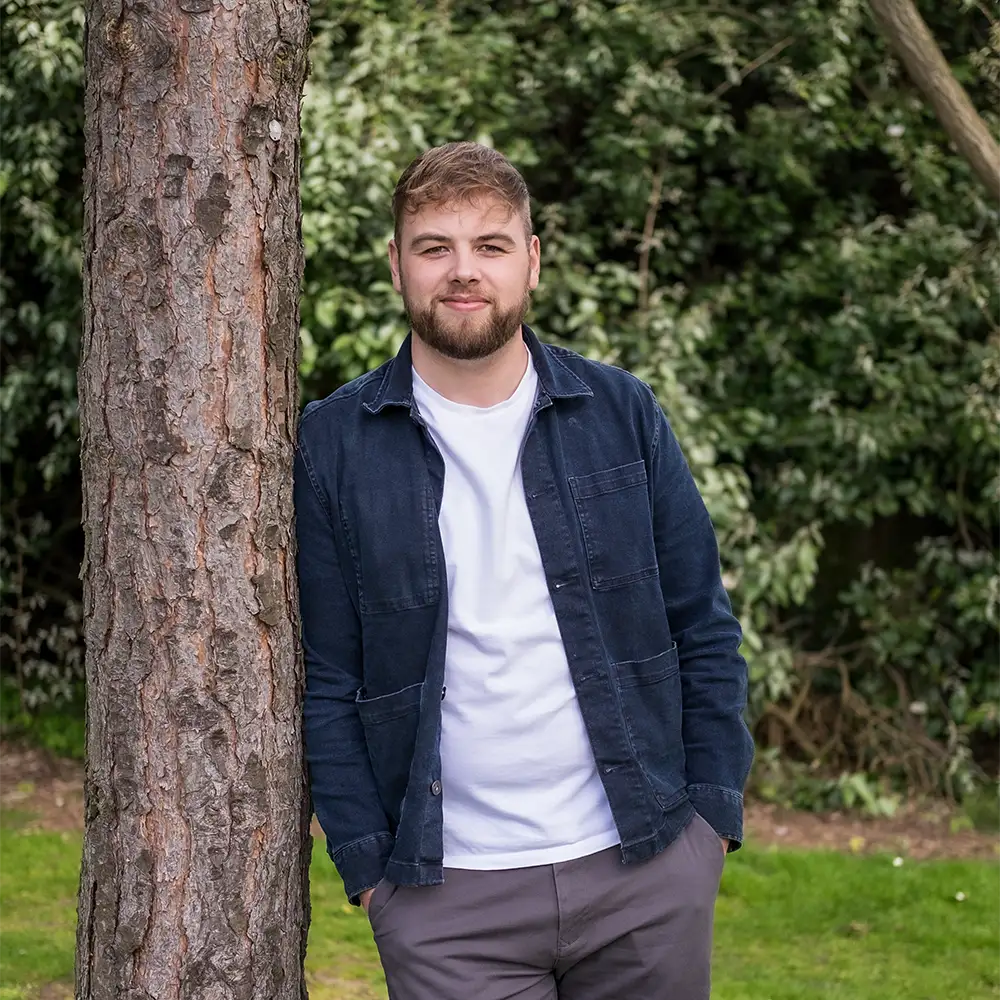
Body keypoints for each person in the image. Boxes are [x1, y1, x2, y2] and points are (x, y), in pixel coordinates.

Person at [294, 141, 754, 1000]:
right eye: (435, 247)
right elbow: (329, 676)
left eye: (491, 246)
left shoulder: (622, 414)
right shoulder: (334, 443)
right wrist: (368, 869)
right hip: (443, 900)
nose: (462, 272)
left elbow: (703, 625)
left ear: (532, 261)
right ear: (397, 263)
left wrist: (710, 821)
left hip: (645, 870)